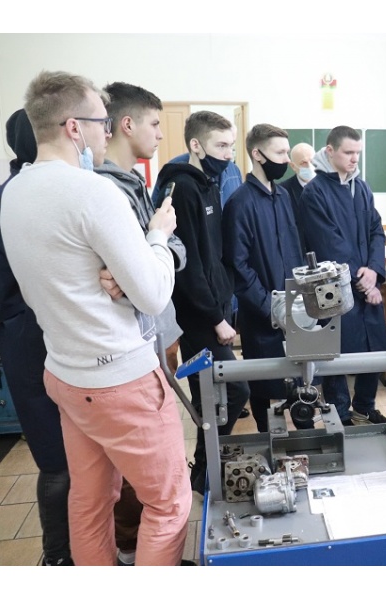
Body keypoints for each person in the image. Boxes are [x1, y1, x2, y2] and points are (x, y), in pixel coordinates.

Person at [1, 70, 191, 566]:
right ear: (73, 128)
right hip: (120, 377)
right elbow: (152, 294)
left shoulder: (14, 191)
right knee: (168, 504)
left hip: (66, 373)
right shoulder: (92, 192)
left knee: (88, 502)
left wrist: (123, 272)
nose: (108, 133)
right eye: (102, 123)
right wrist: (158, 237)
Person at [95, 81, 188, 566]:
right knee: (140, 472)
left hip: (157, 330)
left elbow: (167, 254)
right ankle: (133, 550)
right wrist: (160, 247)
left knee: (152, 464)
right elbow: (139, 279)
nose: (160, 133)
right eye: (154, 123)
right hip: (130, 344)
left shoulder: (134, 182)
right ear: (126, 124)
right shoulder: (105, 190)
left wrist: (160, 247)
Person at [153, 110, 250, 492]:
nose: (228, 154)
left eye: (231, 146)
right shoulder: (182, 188)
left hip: (217, 307)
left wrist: (226, 304)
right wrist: (215, 318)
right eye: (220, 145)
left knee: (212, 396)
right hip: (198, 317)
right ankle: (204, 467)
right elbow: (188, 268)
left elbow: (215, 257)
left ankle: (205, 472)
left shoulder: (210, 183)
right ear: (196, 145)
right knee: (233, 391)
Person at [0, 109, 73, 566]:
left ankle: (89, 549)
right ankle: (57, 557)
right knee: (56, 460)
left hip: (60, 340)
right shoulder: (11, 198)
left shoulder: (50, 192)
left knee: (82, 458)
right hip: (30, 344)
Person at [298, 126, 386, 427]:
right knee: (336, 349)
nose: (354, 159)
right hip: (335, 288)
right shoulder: (314, 192)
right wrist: (363, 281)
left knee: (374, 347)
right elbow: (329, 244)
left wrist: (374, 270)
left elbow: (376, 230)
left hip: (366, 282)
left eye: (357, 153)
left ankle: (365, 406)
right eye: (348, 152)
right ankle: (340, 412)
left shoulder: (361, 187)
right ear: (330, 151)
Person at [222, 124, 304, 433]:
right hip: (262, 314)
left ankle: (302, 442)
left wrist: (299, 300)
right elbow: (238, 265)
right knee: (264, 385)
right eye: (280, 153)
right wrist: (271, 307)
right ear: (257, 154)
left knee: (300, 382)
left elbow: (294, 250)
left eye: (287, 152)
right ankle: (266, 438)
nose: (286, 160)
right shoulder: (240, 203)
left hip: (294, 310)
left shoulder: (283, 196)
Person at [152, 124, 243, 209]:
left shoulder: (234, 171)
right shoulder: (175, 169)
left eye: (231, 145)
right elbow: (156, 208)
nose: (229, 155)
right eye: (222, 145)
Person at [279, 142, 315, 254]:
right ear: (293, 166)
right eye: (303, 163)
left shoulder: (330, 187)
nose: (309, 166)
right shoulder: (282, 192)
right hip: (298, 255)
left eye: (312, 161)